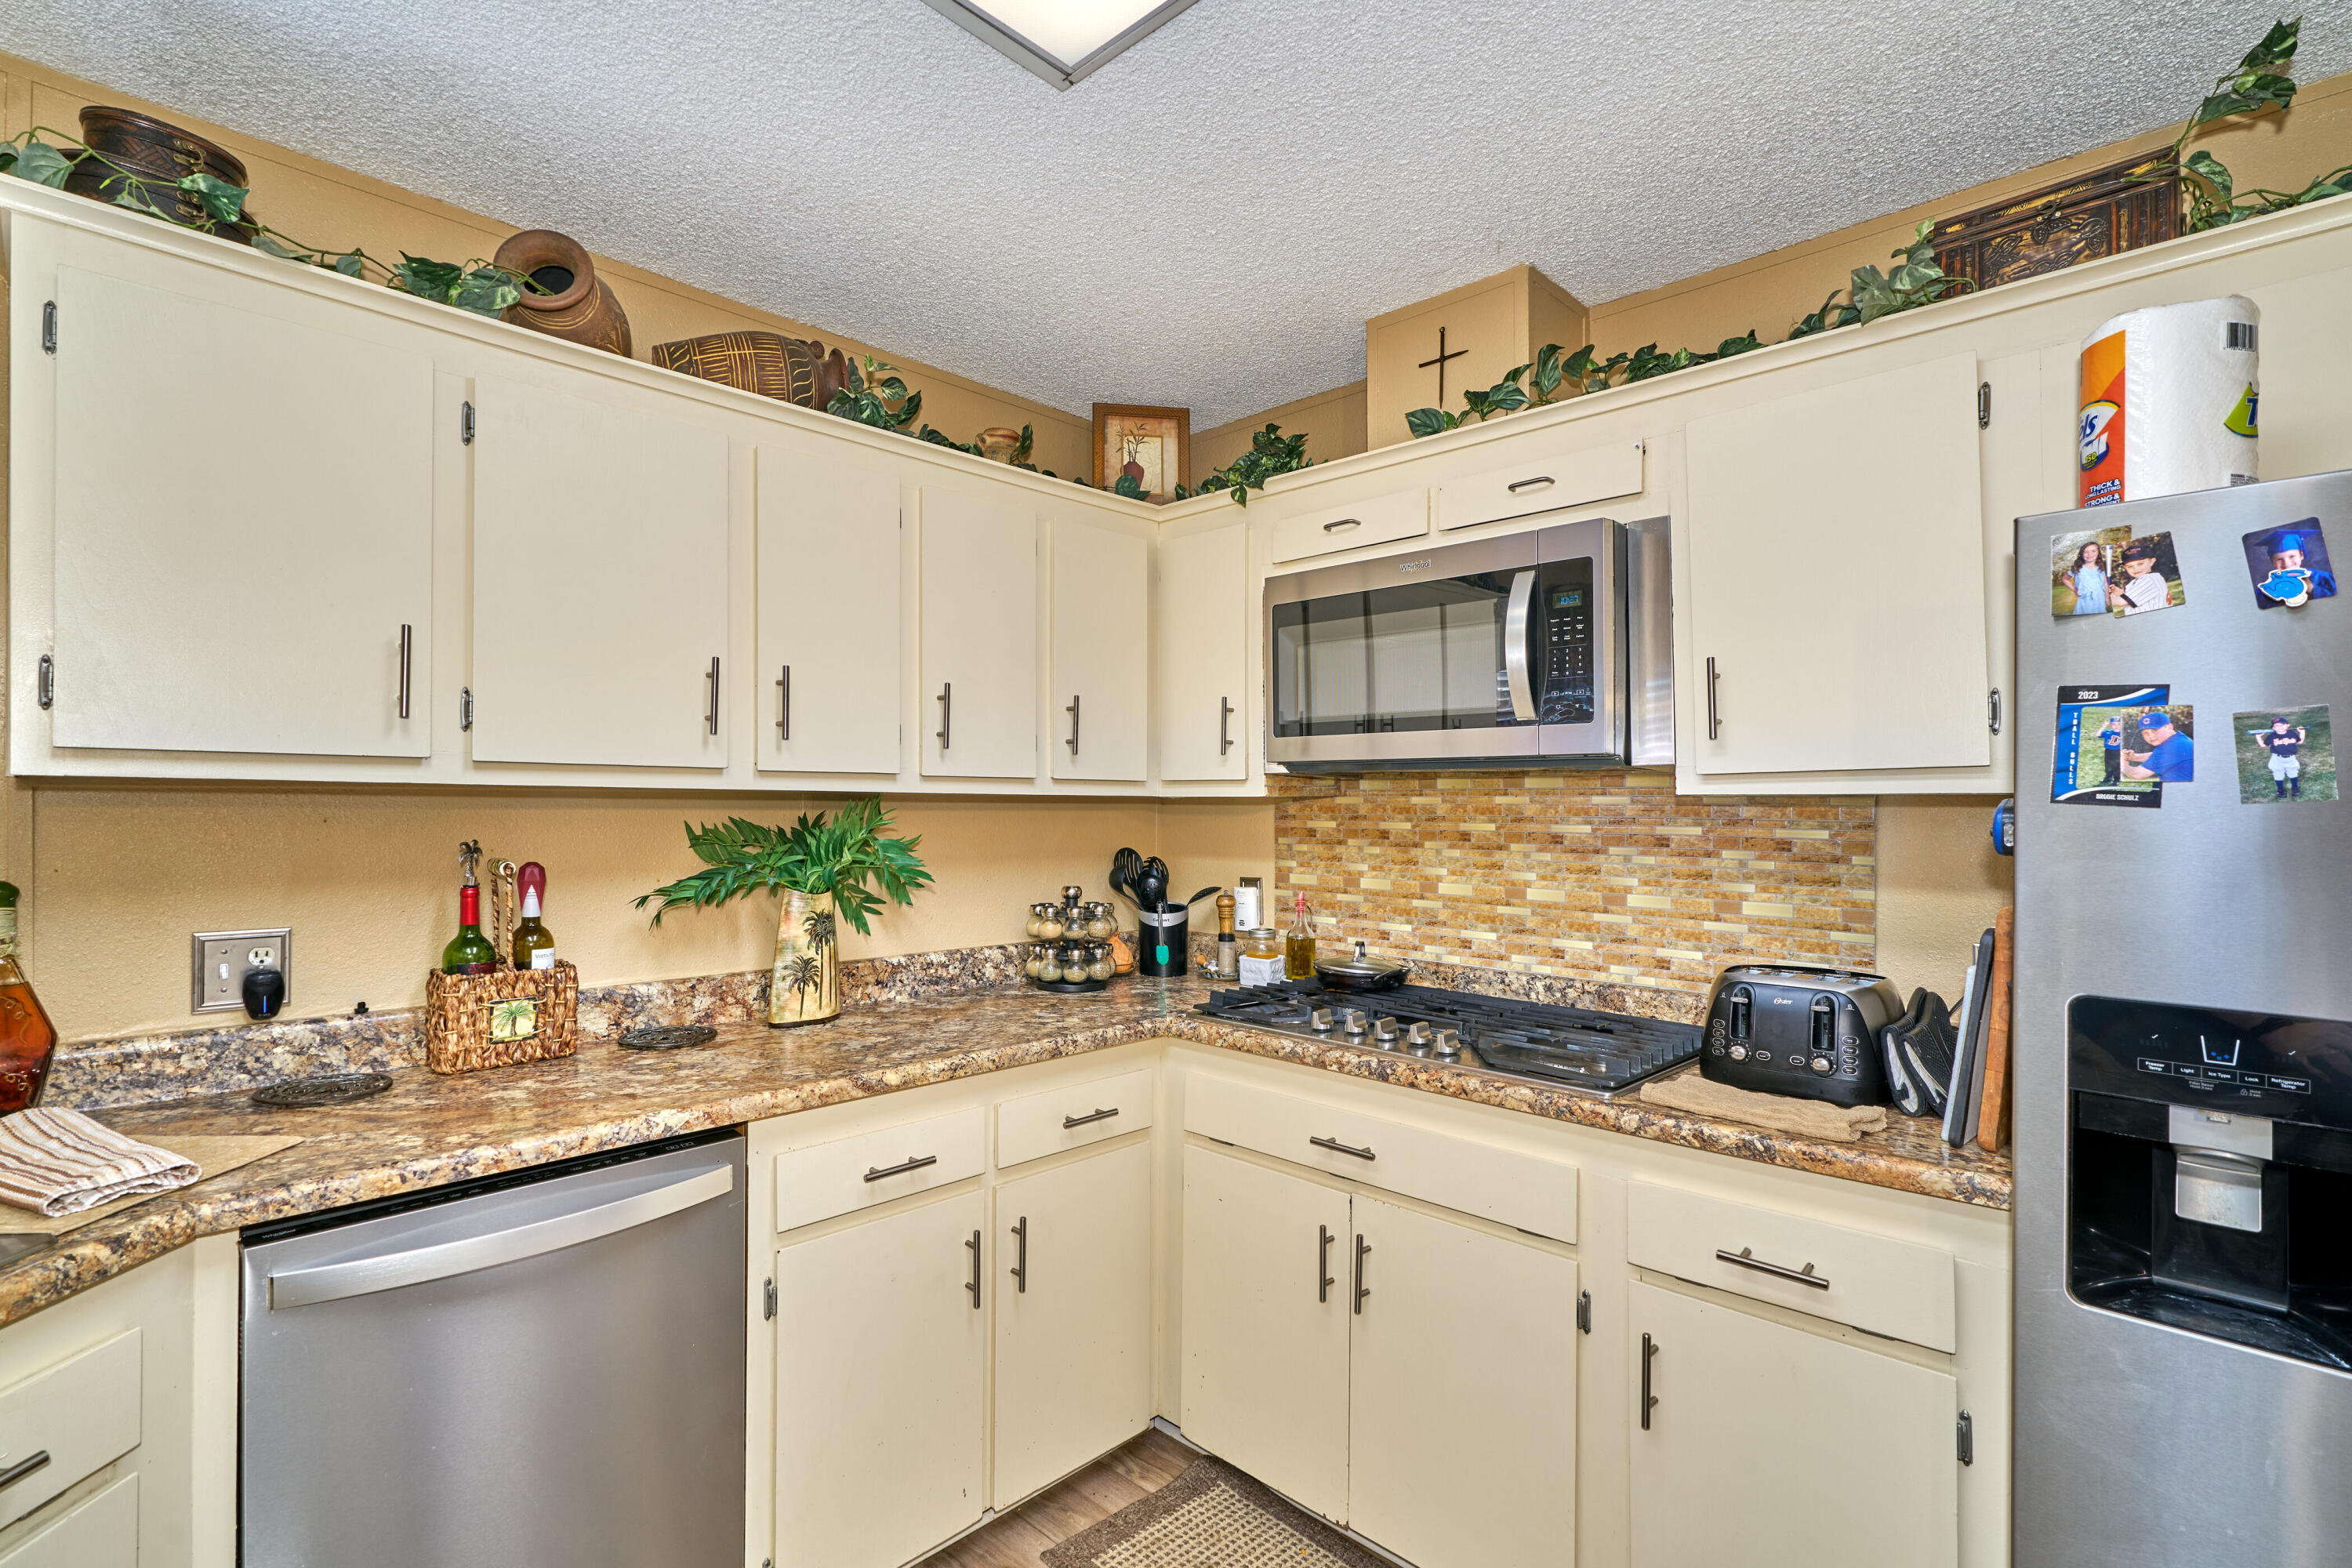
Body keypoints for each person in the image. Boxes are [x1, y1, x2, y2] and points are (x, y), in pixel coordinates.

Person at [2261, 529, 2339, 604]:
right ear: (2271, 561)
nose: (2286, 563)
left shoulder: (2324, 578)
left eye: (2292, 556)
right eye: (2279, 559)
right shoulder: (2268, 586)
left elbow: (2338, 599)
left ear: (2301, 555)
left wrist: (2313, 589)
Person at [2122, 710, 2194, 782]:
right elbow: (2159, 756)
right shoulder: (2179, 739)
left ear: (2169, 727)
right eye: (2145, 733)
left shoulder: (2172, 747)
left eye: (2155, 730)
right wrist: (2133, 757)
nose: (2151, 736)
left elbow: (2137, 774)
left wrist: (2123, 764)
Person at [2108, 541, 2172, 614]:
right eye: (2130, 566)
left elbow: (2121, 602)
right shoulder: (2151, 578)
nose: (2136, 569)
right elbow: (2127, 597)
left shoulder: (2148, 580)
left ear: (2152, 561)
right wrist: (2117, 592)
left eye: (2140, 564)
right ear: (2125, 567)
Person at [2258, 715, 2308, 799]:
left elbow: (2300, 741)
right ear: (2273, 728)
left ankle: (2295, 788)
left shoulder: (2292, 733)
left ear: (2288, 725)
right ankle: (2280, 789)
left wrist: (2302, 732)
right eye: (2277, 725)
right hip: (2277, 759)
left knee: (2293, 773)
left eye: (2282, 725)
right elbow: (2263, 745)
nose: (2280, 727)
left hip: (2291, 758)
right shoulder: (2272, 736)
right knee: (2278, 774)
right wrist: (2258, 737)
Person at [2063, 541, 2108, 615]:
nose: (2090, 554)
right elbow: (2065, 579)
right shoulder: (2077, 567)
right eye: (2086, 552)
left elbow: (2104, 583)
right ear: (2082, 554)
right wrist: (2075, 590)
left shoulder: (2101, 567)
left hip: (2099, 599)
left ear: (2098, 553)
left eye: (2093, 551)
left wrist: (2106, 598)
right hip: (2085, 600)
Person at [2100, 715, 2125, 784]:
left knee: (2117, 766)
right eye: (2114, 724)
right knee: (2108, 765)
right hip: (2108, 751)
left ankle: (2117, 779)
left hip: (2118, 752)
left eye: (2119, 724)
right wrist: (2103, 727)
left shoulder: (2123, 733)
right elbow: (2098, 735)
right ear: (2110, 725)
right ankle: (2108, 777)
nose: (2116, 726)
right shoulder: (2108, 732)